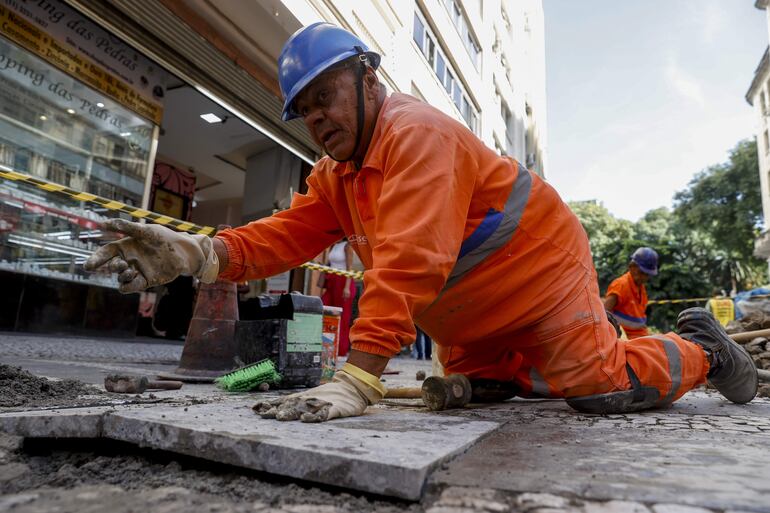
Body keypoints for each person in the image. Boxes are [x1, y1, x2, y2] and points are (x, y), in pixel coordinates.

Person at [84, 23, 758, 423]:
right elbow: (282, 237)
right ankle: (505, 369)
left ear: (369, 80)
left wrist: (360, 375)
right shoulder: (337, 175)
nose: (318, 117)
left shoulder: (416, 134)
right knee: (479, 389)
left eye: (327, 97)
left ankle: (703, 348)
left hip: (540, 274)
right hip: (474, 316)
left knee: (598, 388)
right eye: (306, 109)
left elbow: (411, 260)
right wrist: (198, 252)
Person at [603, 247, 658, 339]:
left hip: (640, 337)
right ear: (632, 266)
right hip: (626, 340)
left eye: (647, 274)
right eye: (641, 272)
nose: (644, 277)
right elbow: (604, 314)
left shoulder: (641, 288)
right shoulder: (621, 285)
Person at [320, 239, 355, 356]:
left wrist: (347, 287)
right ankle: (326, 345)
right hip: (332, 280)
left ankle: (341, 349)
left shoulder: (347, 246)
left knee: (343, 317)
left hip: (343, 281)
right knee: (324, 309)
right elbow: (328, 264)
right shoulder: (333, 245)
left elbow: (350, 267)